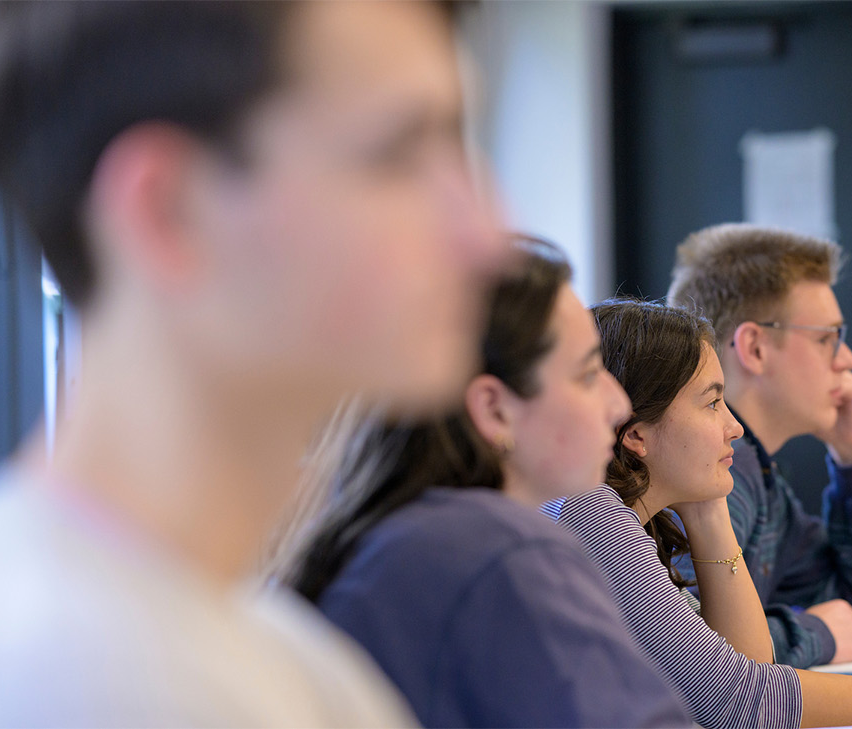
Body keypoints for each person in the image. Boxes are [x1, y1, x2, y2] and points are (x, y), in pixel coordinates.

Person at [0, 1, 506, 725]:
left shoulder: (248, 646)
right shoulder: (78, 674)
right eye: (396, 156)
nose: (484, 233)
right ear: (167, 211)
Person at [549, 300, 852, 728]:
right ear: (636, 434)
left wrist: (709, 510)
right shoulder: (589, 510)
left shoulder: (643, 514)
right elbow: (737, 703)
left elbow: (746, 674)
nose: (733, 426)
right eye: (712, 402)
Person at [281, 239, 691, 728]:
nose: (618, 403)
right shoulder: (498, 550)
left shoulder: (403, 531)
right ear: (495, 410)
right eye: (586, 375)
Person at [666, 223, 852, 669]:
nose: (847, 360)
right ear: (756, 348)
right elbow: (687, 647)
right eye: (827, 339)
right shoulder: (714, 474)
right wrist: (814, 633)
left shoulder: (756, 477)